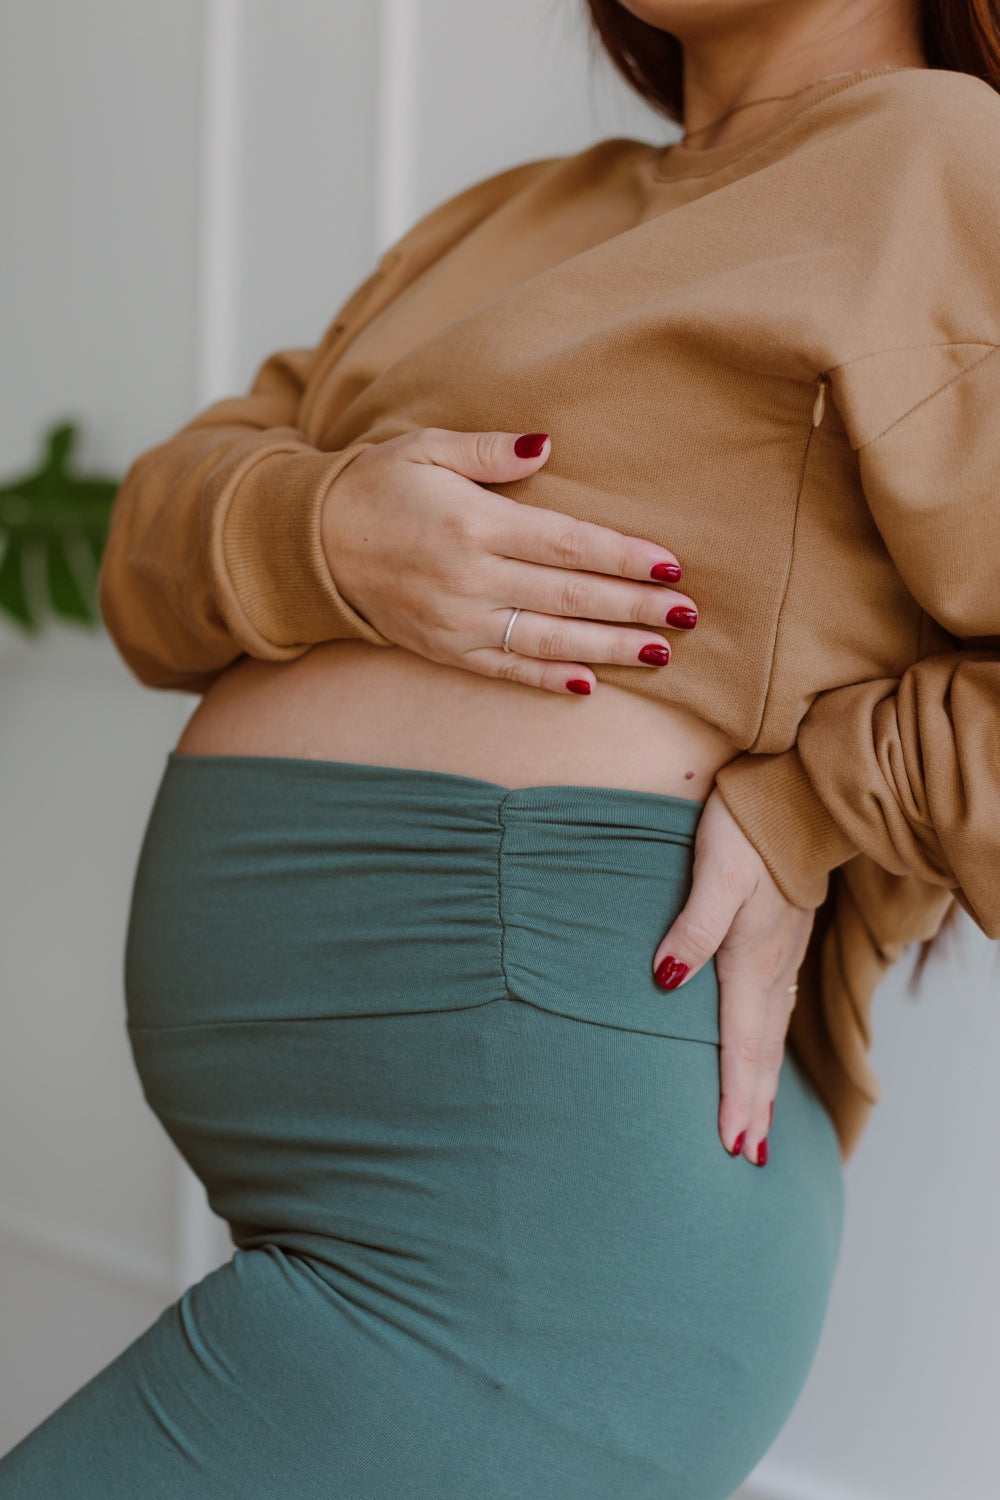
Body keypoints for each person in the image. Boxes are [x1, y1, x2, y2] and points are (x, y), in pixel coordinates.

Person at [3, 0, 998, 1495]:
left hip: (551, 1250)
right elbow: (150, 547)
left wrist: (829, 797)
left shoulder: (949, 165)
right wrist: (329, 529)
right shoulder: (519, 215)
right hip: (392, 1209)